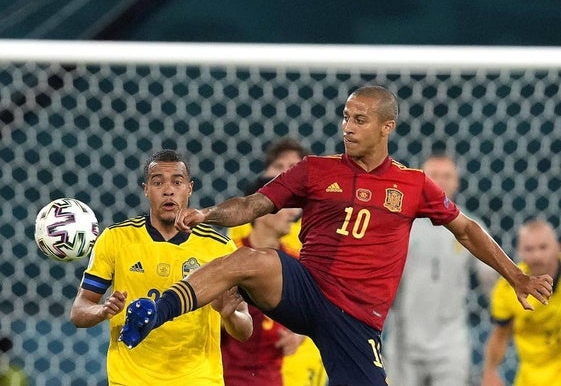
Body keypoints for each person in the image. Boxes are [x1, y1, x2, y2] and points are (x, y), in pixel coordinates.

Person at [119, 85, 553, 386]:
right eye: (346, 117)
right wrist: (210, 213)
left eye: (360, 119)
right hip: (307, 289)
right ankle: (157, 310)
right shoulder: (315, 170)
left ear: (387, 127)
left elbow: (466, 229)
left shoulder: (414, 185)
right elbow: (254, 205)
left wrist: (515, 274)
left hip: (356, 320)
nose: (348, 126)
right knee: (250, 260)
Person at [70, 149, 253, 385]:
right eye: (158, 182)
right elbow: (79, 311)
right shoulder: (116, 239)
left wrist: (228, 313)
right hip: (131, 379)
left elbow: (245, 329)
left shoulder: (220, 247)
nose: (168, 190)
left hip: (197, 379)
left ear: (190, 188)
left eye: (177, 182)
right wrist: (103, 310)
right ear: (146, 189)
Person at [383, 153, 498, 386]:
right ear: (422, 180)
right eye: (434, 175)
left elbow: (491, 279)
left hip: (450, 341)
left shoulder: (471, 226)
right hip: (404, 339)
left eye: (447, 175)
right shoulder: (399, 224)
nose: (441, 181)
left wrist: (503, 313)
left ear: (457, 182)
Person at [227, 137, 327, 386]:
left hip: (278, 371)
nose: (292, 213)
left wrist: (301, 332)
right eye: (285, 205)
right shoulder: (229, 252)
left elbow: (320, 308)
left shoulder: (302, 254)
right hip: (227, 372)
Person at [222, 177, 305, 385]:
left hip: (271, 377)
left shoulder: (296, 263)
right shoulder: (226, 255)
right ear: (259, 211)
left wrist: (298, 336)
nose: (294, 213)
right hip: (224, 375)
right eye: (285, 205)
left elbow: (313, 313)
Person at [480, 219, 561, 386]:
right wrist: (489, 372)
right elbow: (500, 336)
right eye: (529, 249)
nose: (537, 256)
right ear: (519, 252)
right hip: (531, 377)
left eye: (543, 247)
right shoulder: (507, 288)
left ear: (557, 248)